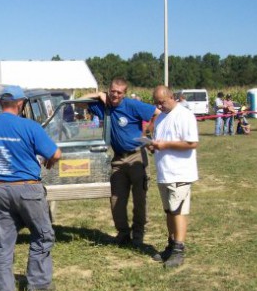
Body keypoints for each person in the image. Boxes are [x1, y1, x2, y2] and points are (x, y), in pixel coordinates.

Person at [0, 85, 61, 291]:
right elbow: (56, 153)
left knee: (1, 242)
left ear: (0, 103)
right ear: (21, 104)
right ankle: (39, 284)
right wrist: (50, 161)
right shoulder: (29, 126)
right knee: (42, 234)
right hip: (28, 188)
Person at [79, 78, 160, 247]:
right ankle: (123, 233)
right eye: (112, 91)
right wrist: (98, 94)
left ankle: (138, 234)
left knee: (139, 199)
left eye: (119, 92)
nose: (115, 95)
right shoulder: (104, 106)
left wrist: (148, 130)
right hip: (117, 158)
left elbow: (157, 113)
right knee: (116, 199)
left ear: (124, 94)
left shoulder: (132, 105)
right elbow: (78, 103)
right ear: (108, 90)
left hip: (137, 156)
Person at [149, 86, 199, 268]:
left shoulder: (184, 115)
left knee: (178, 211)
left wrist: (166, 144)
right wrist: (153, 146)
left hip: (180, 173)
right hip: (165, 173)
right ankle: (171, 245)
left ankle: (179, 249)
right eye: (156, 103)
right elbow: (162, 141)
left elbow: (192, 142)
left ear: (172, 97)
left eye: (161, 102)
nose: (159, 106)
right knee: (169, 211)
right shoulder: (161, 117)